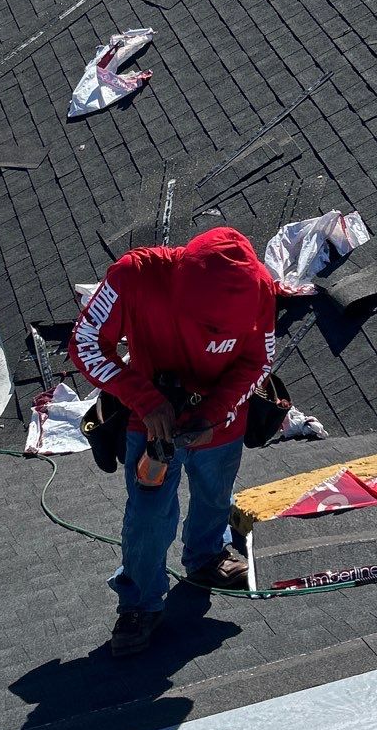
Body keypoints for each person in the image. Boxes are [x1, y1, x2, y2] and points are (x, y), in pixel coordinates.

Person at [70, 227, 278, 657]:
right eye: (209, 325)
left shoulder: (259, 286)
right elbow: (86, 342)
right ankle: (139, 604)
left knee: (214, 494)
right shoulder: (135, 276)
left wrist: (214, 412)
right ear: (185, 290)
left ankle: (204, 558)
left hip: (220, 423)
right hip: (150, 423)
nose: (215, 334)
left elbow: (258, 360)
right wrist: (146, 402)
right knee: (146, 516)